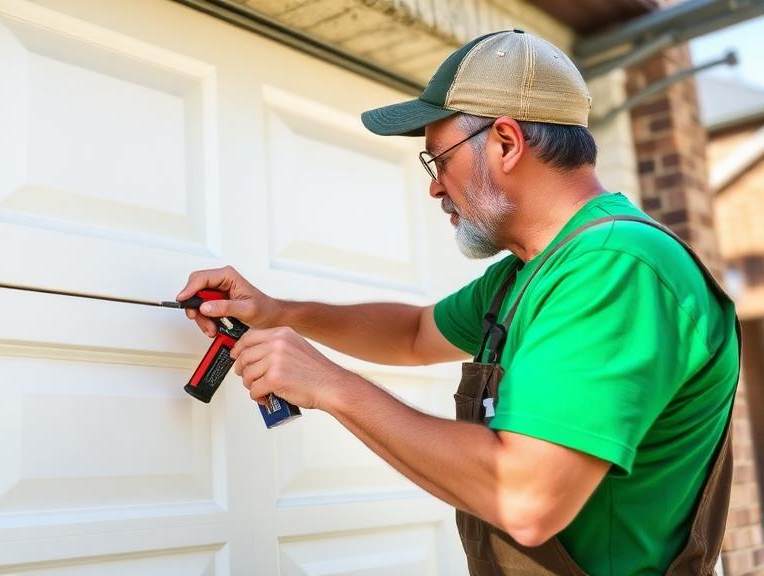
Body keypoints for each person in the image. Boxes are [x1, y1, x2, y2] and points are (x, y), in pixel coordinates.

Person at [176, 29, 741, 575]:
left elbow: (528, 499)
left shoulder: (617, 269)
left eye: (439, 160)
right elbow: (415, 333)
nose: (434, 186)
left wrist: (329, 384)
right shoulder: (527, 273)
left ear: (505, 143)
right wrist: (279, 312)